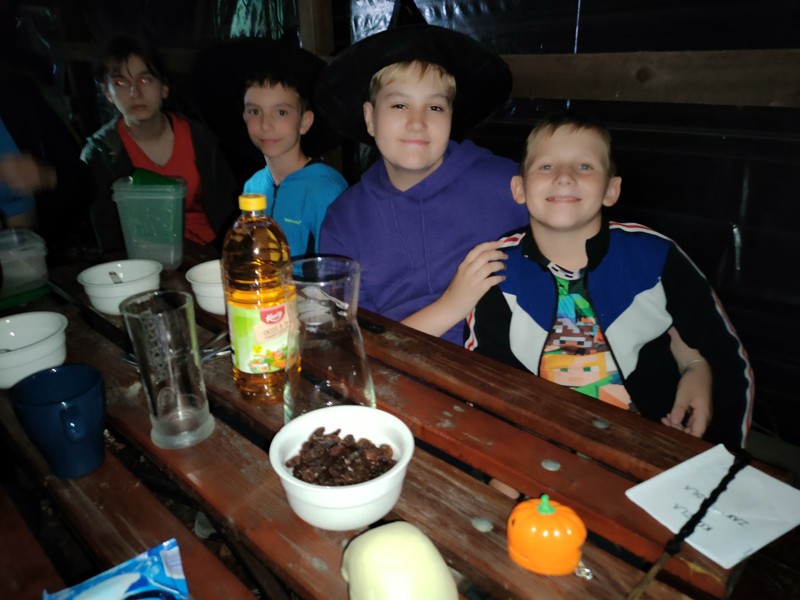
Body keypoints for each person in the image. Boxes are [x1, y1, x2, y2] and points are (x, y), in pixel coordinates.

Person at [465, 110, 753, 448]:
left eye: (584, 166)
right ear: (519, 188)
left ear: (611, 190)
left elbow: (725, 359)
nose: (564, 177)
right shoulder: (496, 266)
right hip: (541, 446)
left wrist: (721, 459)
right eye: (546, 166)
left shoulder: (656, 256)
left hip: (653, 444)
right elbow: (486, 376)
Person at [315, 24, 528, 344]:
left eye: (435, 107)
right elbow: (352, 342)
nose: (417, 122)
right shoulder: (344, 220)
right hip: (395, 368)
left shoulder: (508, 185)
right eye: (399, 105)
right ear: (370, 118)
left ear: (451, 118)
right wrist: (452, 305)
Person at [81, 35, 237, 254]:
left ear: (164, 87)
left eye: (145, 80)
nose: (135, 93)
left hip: (208, 253)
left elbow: (228, 210)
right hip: (143, 259)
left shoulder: (201, 139)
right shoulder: (102, 152)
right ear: (108, 93)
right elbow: (107, 233)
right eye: (121, 83)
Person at [239, 46, 348, 257]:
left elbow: (336, 269)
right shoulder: (253, 186)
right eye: (254, 111)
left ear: (304, 122)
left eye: (281, 112)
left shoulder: (326, 191)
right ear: (244, 117)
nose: (265, 125)